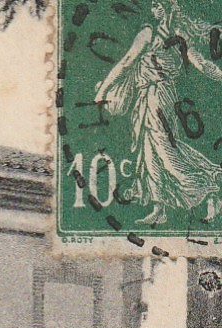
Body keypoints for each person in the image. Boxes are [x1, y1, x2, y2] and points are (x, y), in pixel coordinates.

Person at [95, 0, 222, 225]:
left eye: (158, 4)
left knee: (163, 148)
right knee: (149, 149)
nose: (155, 8)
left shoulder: (171, 34)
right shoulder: (150, 33)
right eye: (153, 4)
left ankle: (207, 185)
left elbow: (200, 63)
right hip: (147, 96)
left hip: (159, 94)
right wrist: (103, 89)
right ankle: (159, 207)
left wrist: (102, 91)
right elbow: (126, 62)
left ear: (169, 6)